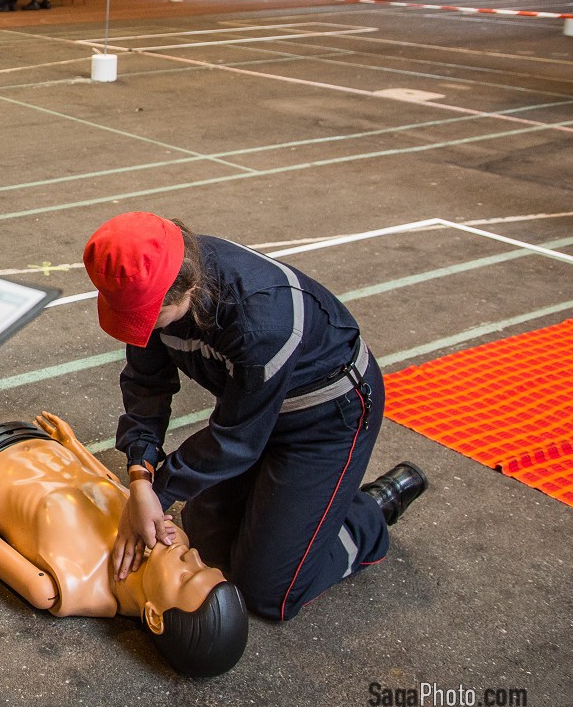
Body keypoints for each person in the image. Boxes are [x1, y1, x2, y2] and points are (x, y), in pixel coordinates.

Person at [83, 212, 427, 622]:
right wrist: (140, 474)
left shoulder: (262, 320)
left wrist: (158, 493)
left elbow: (235, 441)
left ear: (188, 286)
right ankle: (306, 508)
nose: (140, 330)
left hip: (325, 422)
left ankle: (368, 514)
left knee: (268, 592)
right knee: (206, 538)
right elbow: (146, 383)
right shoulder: (154, 279)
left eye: (147, 316)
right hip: (252, 409)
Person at [0, 413, 248, 677]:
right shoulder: (163, 534)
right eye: (203, 563)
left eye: (187, 576)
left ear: (155, 617)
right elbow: (114, 484)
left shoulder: (65, 587)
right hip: (39, 439)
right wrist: (72, 443)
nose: (190, 555)